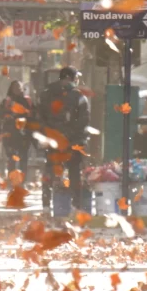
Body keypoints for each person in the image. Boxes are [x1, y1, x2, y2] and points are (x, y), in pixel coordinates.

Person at [38, 66, 90, 212]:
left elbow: (39, 117)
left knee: (50, 169)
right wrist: (72, 136)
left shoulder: (46, 94)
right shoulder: (79, 96)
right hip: (72, 142)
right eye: (76, 77)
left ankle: (46, 204)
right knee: (74, 171)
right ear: (70, 78)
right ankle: (76, 205)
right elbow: (84, 120)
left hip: (52, 141)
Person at [0, 81, 34, 182]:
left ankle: (22, 181)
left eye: (19, 87)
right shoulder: (6, 102)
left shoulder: (27, 101)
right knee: (11, 158)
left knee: (23, 159)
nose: (17, 89)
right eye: (15, 87)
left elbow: (33, 116)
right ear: (11, 89)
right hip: (9, 134)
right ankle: (12, 180)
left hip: (24, 134)